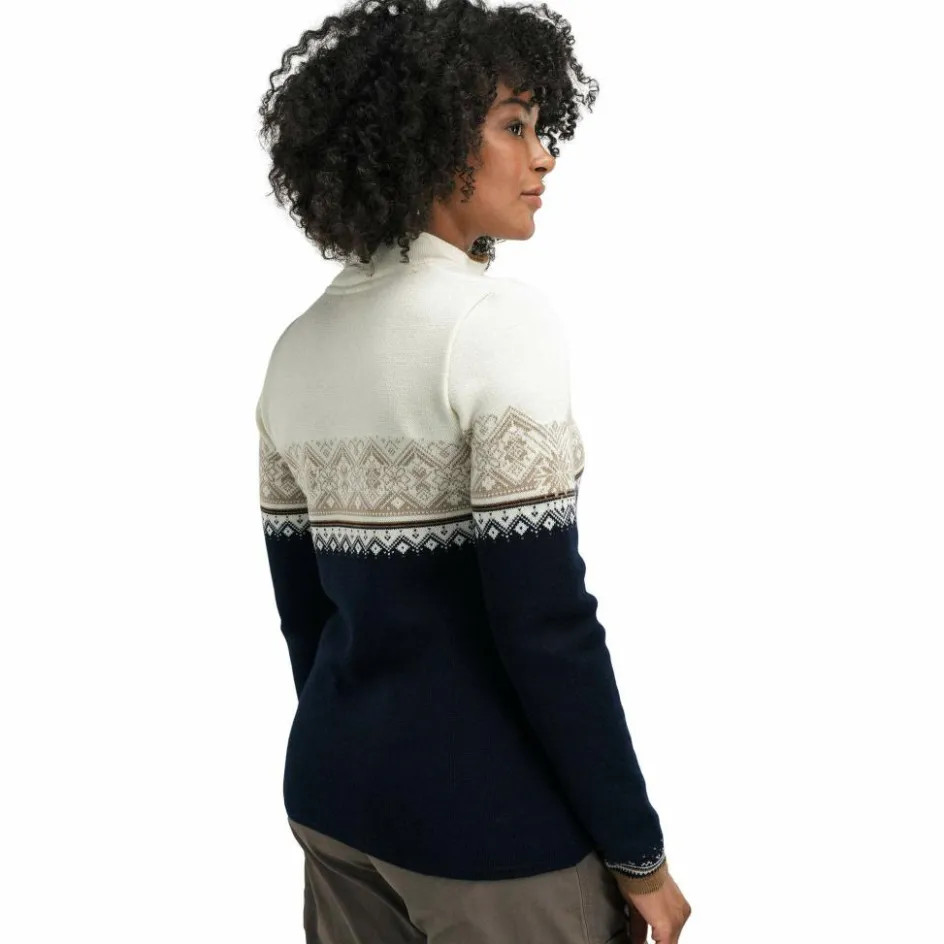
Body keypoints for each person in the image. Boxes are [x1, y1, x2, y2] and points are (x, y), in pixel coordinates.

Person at [255, 1, 692, 941]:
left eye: (539, 127)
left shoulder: (296, 349)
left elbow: (306, 620)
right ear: (429, 137)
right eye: (513, 126)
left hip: (333, 802)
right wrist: (638, 854)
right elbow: (546, 624)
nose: (544, 156)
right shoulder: (495, 324)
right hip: (490, 840)